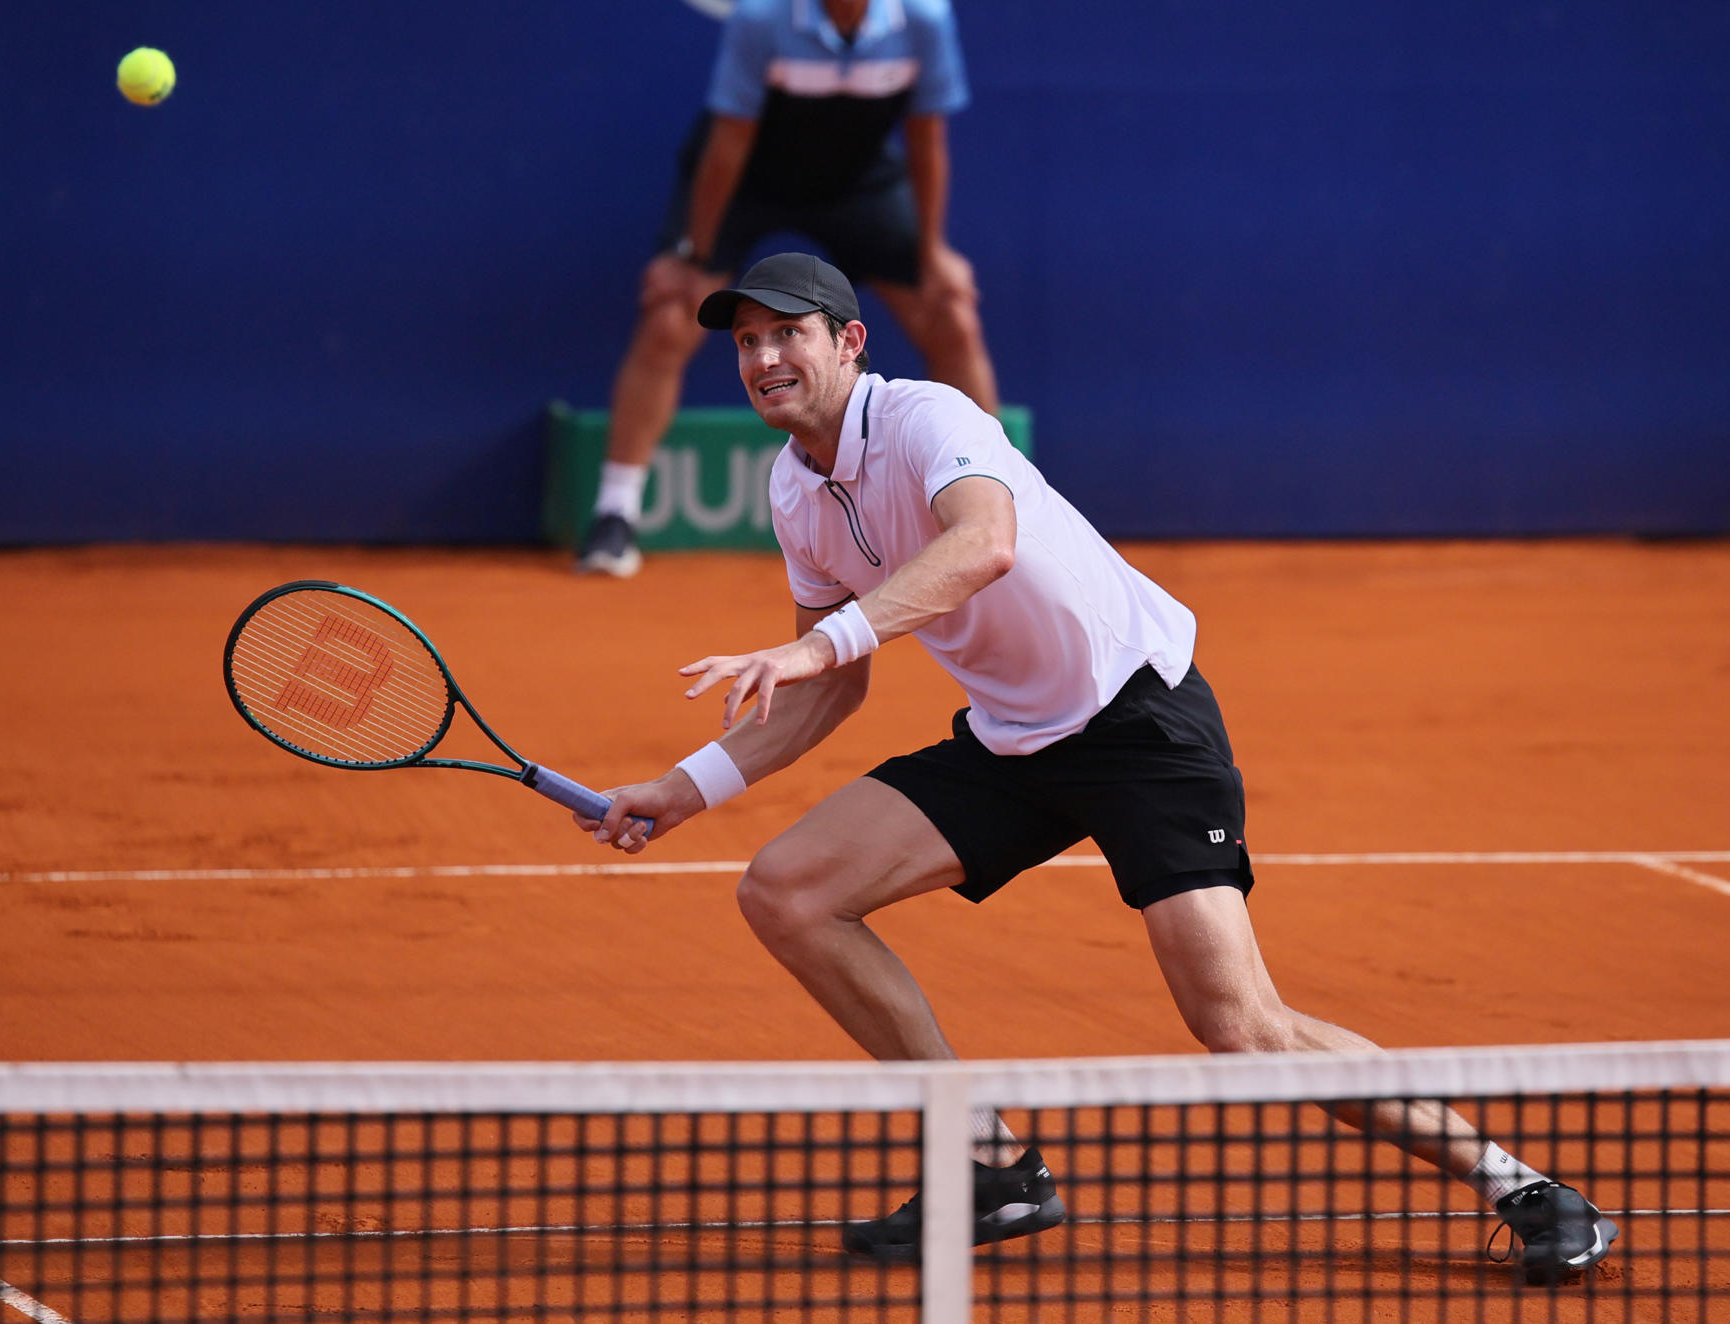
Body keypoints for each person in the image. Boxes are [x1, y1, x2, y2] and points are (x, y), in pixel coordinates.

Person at [576, 252, 1620, 1282]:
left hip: (1137, 723)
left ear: (848, 341)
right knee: (788, 892)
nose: (763, 359)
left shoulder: (927, 418)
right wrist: (685, 786)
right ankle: (988, 1166)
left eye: (786, 334)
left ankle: (1524, 1187)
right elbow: (829, 690)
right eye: (747, 342)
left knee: (1241, 1026)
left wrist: (817, 643)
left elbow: (982, 544)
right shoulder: (793, 488)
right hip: (1013, 741)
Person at [575, 0, 999, 578]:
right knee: (673, 314)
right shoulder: (762, 19)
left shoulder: (925, 20)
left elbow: (926, 137)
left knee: (950, 312)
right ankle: (614, 514)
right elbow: (730, 138)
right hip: (747, 179)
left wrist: (932, 254)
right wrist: (694, 258)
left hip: (858, 184)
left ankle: (999, 493)